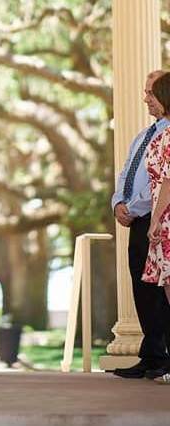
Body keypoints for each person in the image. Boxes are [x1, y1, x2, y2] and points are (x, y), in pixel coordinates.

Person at [111, 70, 170, 379]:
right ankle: (152, 355)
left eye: (151, 92)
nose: (145, 97)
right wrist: (118, 203)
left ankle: (162, 357)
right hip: (139, 220)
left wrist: (134, 209)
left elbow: (162, 184)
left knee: (161, 289)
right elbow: (127, 172)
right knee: (143, 287)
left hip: (157, 220)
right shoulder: (144, 135)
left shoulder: (168, 135)